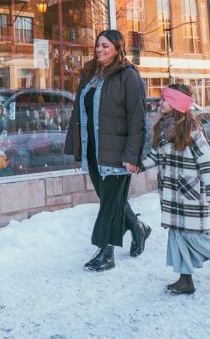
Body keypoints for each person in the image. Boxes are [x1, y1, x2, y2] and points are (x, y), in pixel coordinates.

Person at [134, 83, 210, 294]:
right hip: (171, 194)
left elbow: (207, 162)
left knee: (195, 235)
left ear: (176, 103)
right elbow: (156, 156)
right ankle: (185, 280)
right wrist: (138, 166)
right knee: (177, 236)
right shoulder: (163, 128)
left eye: (164, 99)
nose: (160, 102)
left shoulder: (191, 130)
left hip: (190, 193)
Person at [65, 29, 151, 272]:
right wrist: (75, 144)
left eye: (106, 46)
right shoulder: (90, 74)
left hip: (118, 151)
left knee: (110, 202)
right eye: (98, 45)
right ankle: (138, 228)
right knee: (110, 200)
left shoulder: (128, 76)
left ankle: (106, 252)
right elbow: (78, 112)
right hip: (93, 148)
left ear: (118, 48)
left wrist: (133, 156)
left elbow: (138, 119)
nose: (100, 49)